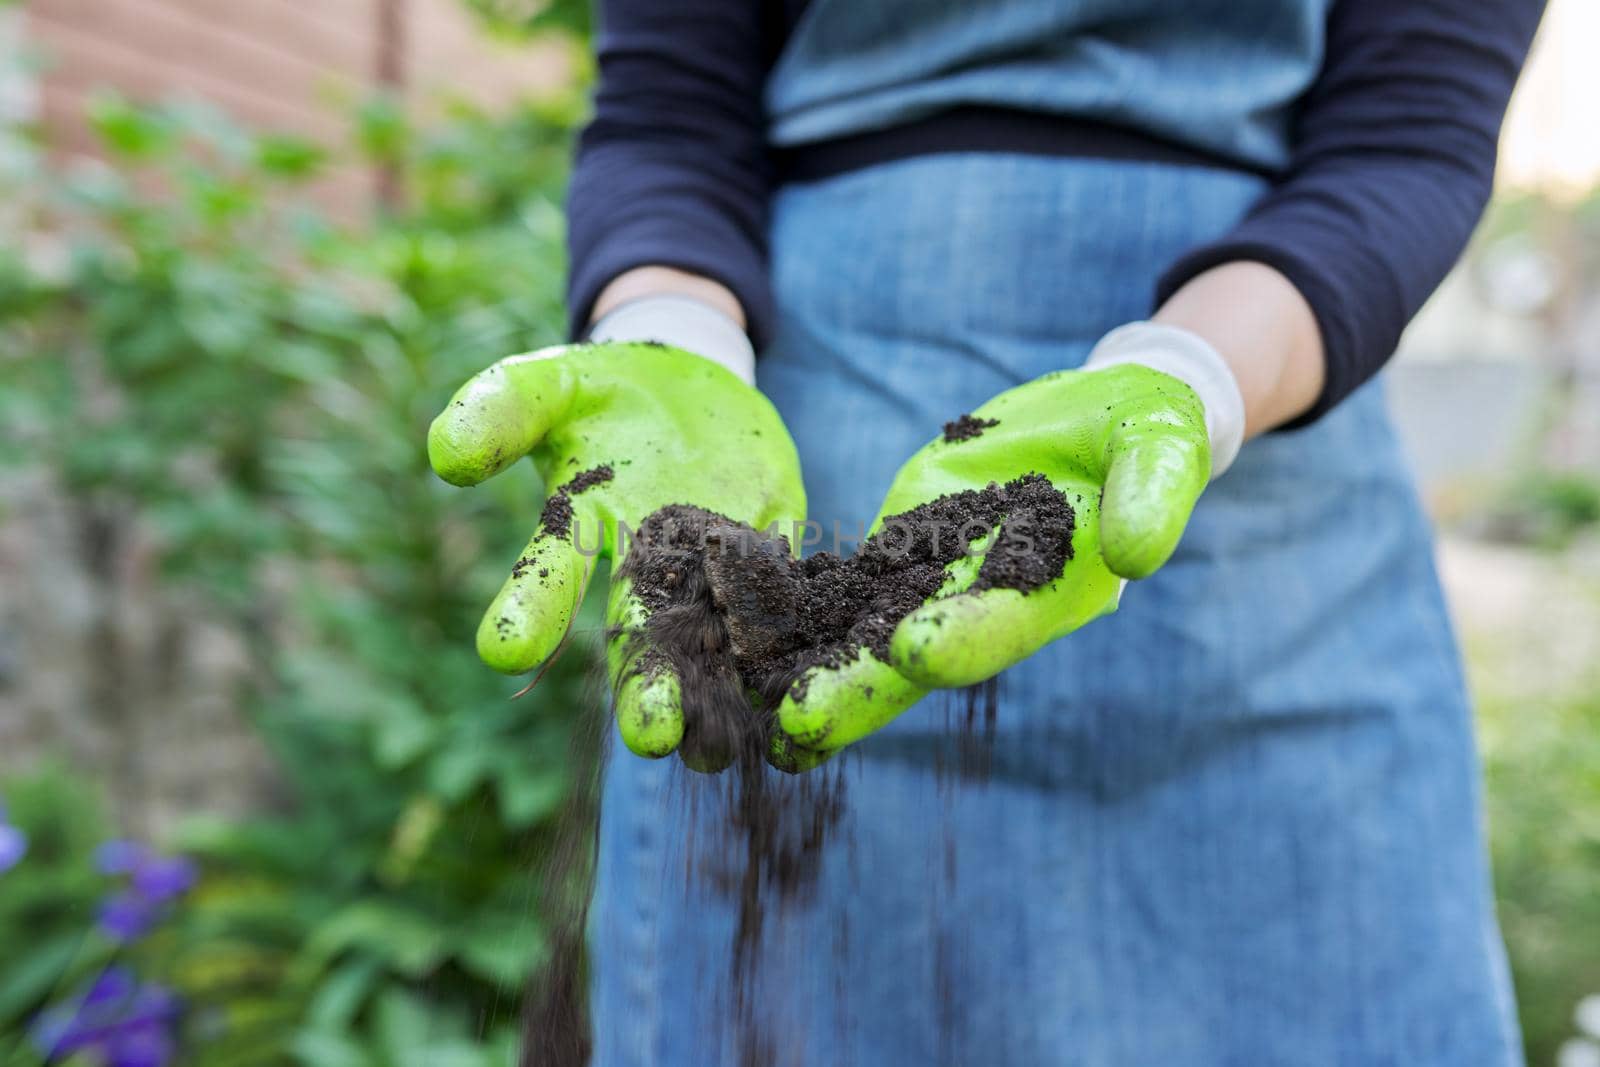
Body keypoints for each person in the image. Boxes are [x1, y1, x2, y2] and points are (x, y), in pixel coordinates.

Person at [428, 1, 1548, 1062]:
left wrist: (1193, 380)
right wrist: (670, 338)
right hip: (820, 457)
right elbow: (672, 112)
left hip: (1265, 464)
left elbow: (1405, 137)